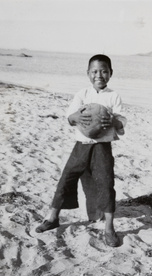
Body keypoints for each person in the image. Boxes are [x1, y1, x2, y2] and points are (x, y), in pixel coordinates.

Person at [35, 54, 127, 247]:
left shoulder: (113, 96)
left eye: (104, 71)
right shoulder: (82, 94)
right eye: (94, 71)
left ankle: (109, 228)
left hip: (102, 147)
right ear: (88, 74)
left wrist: (113, 121)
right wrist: (76, 117)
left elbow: (121, 122)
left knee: (106, 182)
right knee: (66, 178)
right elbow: (69, 118)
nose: (99, 75)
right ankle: (52, 217)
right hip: (81, 145)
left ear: (111, 73)